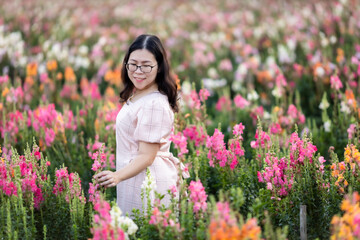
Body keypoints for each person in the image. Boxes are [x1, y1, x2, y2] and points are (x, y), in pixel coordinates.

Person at [94, 34, 189, 216]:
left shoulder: (154, 103)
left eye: (146, 65)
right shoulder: (140, 93)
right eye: (133, 64)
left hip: (148, 182)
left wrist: (116, 176)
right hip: (134, 178)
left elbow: (147, 156)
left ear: (159, 67)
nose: (138, 70)